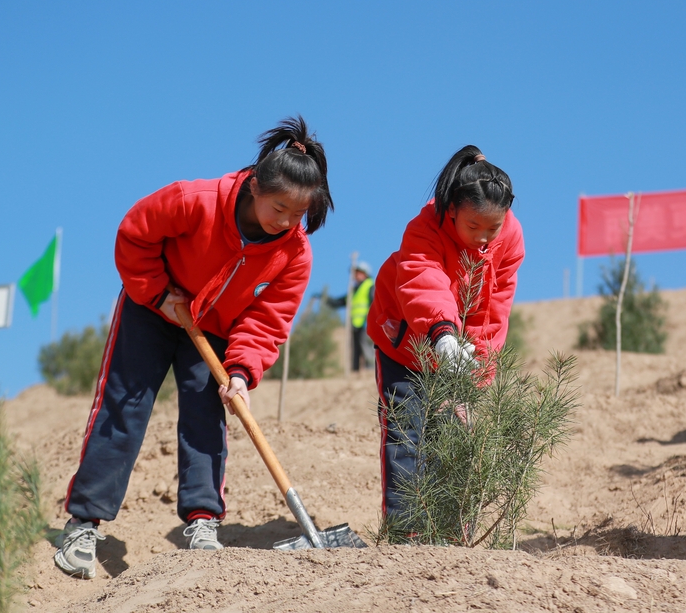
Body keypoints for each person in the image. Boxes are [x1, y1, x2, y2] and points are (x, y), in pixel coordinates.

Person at [54, 116, 332, 579]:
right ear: (255, 186)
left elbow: (268, 321)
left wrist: (241, 372)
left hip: (216, 328)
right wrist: (158, 293)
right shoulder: (195, 200)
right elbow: (134, 234)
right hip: (154, 306)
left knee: (207, 418)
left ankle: (203, 523)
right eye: (278, 207)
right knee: (124, 407)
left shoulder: (295, 253)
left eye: (297, 214)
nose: (285, 221)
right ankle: (84, 522)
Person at [366, 145, 523, 535]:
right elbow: (425, 283)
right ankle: (406, 532)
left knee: (454, 438)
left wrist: (478, 373)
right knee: (407, 434)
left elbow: (494, 308)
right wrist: (442, 335)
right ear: (451, 208)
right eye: (474, 228)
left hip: (461, 357)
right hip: (405, 344)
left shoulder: (510, 238)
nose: (484, 239)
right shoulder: (423, 230)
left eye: (493, 228)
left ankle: (454, 532)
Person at [324, 261, 376, 372]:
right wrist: (325, 299)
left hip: (366, 324)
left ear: (365, 274)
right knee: (355, 350)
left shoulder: (370, 286)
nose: (355, 275)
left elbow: (374, 304)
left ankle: (370, 371)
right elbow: (339, 302)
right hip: (354, 325)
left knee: (366, 348)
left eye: (358, 273)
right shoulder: (353, 291)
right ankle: (355, 372)